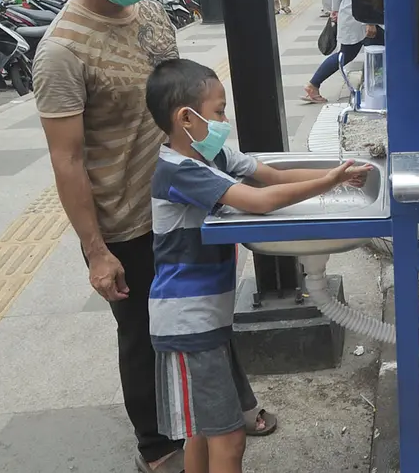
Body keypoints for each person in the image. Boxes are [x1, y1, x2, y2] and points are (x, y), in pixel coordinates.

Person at [34, 0, 276, 473]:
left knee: (205, 313)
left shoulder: (150, 13)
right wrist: (96, 250)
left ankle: (229, 406)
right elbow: (66, 160)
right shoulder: (61, 52)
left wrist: (220, 158)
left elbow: (180, 102)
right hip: (126, 219)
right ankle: (156, 443)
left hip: (185, 197)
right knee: (145, 334)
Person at [145, 58, 369, 473]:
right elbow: (261, 201)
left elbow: (269, 176)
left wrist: (338, 171)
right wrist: (329, 182)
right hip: (188, 324)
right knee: (228, 438)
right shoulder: (180, 171)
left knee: (202, 431)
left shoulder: (208, 154)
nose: (224, 119)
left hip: (205, 321)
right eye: (217, 111)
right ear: (185, 118)